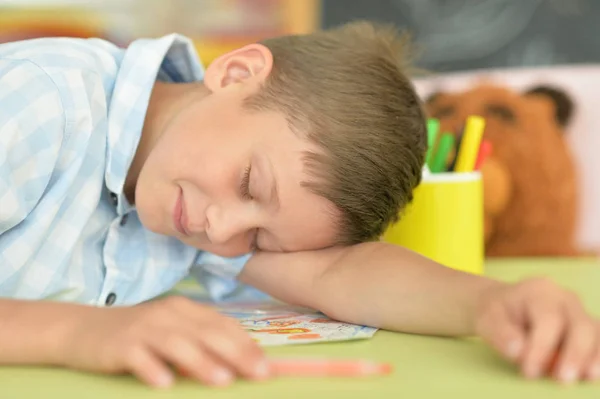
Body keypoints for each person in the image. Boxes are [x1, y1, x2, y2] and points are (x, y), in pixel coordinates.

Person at [0, 21, 598, 388]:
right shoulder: (43, 103)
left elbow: (339, 271)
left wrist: (494, 303)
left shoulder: (191, 199)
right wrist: (83, 333)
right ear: (235, 73)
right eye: (250, 184)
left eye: (260, 241)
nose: (222, 228)